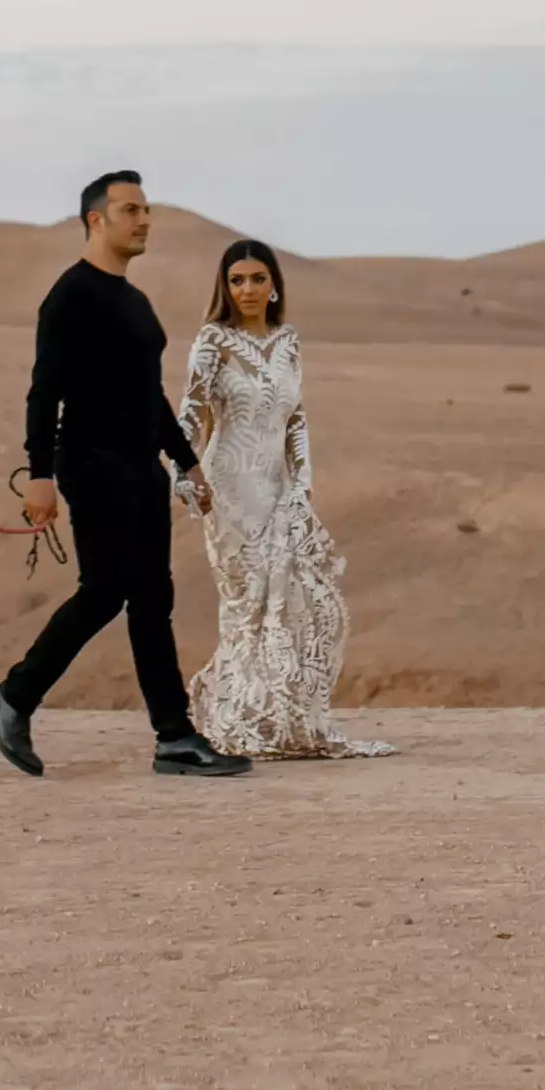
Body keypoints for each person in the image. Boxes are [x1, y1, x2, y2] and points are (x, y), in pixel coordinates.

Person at [0, 172, 251, 778]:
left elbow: (148, 393)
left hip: (140, 465)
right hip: (92, 461)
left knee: (153, 599)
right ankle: (14, 697)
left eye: (147, 209)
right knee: (106, 590)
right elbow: (43, 389)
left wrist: (184, 460)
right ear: (96, 220)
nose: (144, 220)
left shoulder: (133, 299)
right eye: (131, 210)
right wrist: (40, 474)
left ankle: (174, 738)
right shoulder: (71, 296)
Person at [182, 237, 390, 758]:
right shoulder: (212, 341)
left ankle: (280, 721)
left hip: (278, 488)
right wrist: (183, 476)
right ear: (224, 288)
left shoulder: (287, 341)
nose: (247, 289)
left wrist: (303, 480)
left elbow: (295, 417)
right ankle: (233, 720)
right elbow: (191, 414)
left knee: (297, 600)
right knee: (247, 604)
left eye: (257, 279)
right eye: (236, 280)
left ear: (274, 286)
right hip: (229, 489)